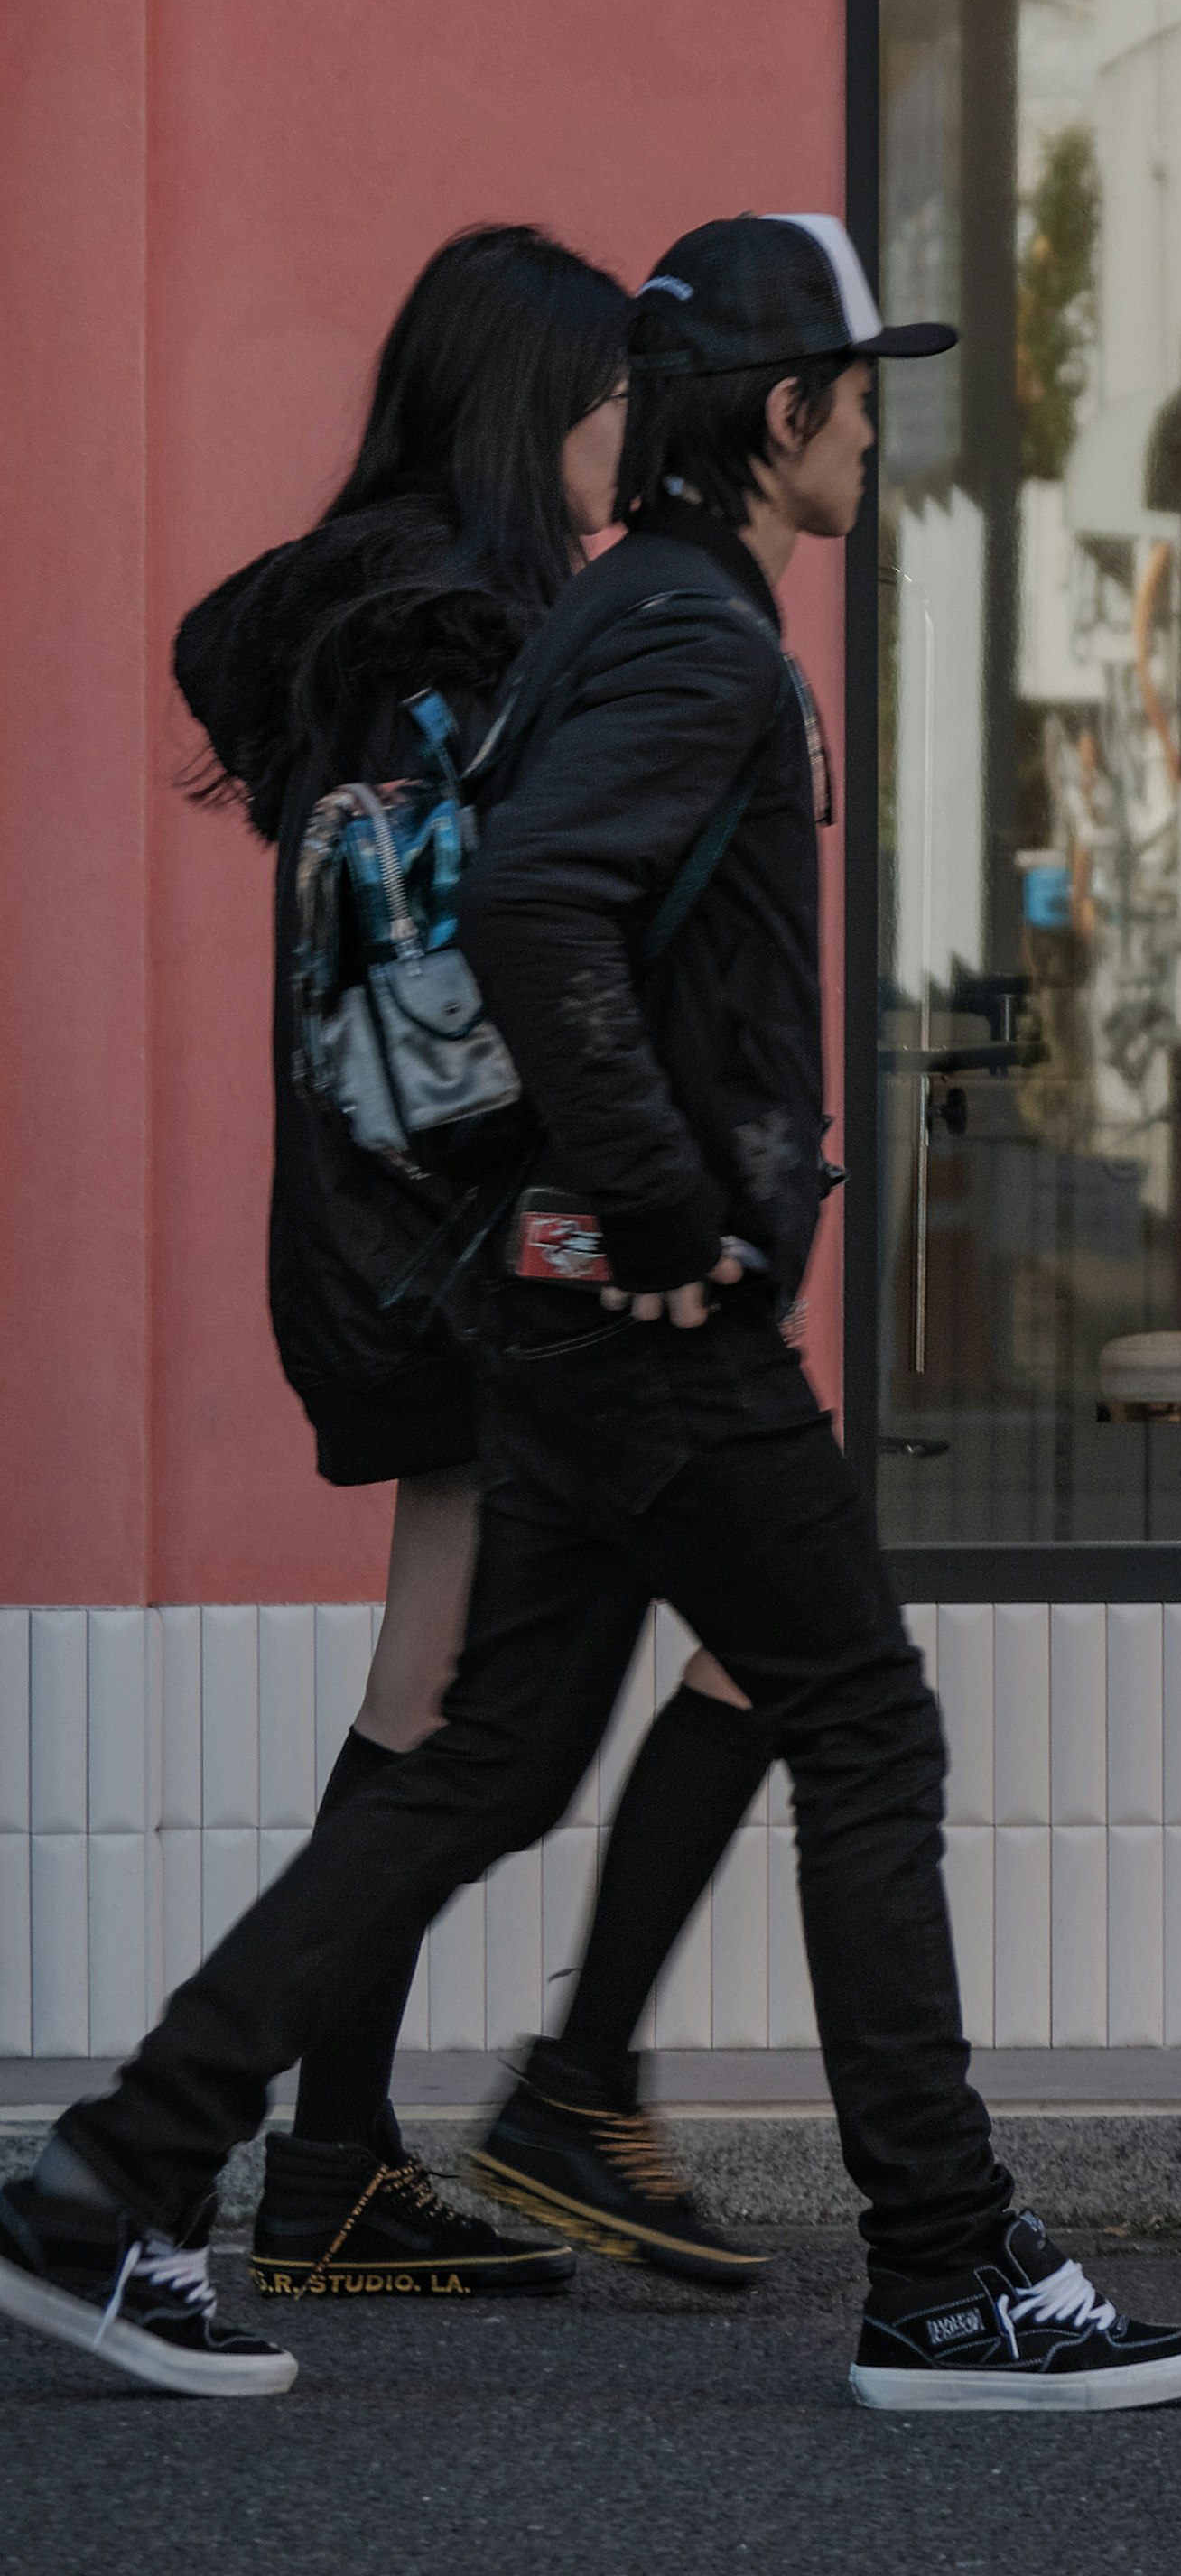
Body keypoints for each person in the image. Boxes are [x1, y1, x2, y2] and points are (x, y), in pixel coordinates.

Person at [0, 214, 1181, 2418]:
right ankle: (947, 2271)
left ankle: (113, 2175)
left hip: (559, 1307)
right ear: (787, 417)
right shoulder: (683, 638)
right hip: (645, 1305)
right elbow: (552, 900)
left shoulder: (632, 613)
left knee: (481, 1755)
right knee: (861, 1719)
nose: (883, 430)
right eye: (867, 391)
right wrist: (670, 1200)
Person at [171, 223, 776, 2303]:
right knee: (782, 1636)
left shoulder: (419, 629)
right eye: (620, 399)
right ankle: (542, 2095)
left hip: (410, 1245)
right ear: (543, 410)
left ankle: (318, 2163)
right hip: (486, 1247)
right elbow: (498, 984)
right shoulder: (450, 646)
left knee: (436, 1697)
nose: (647, 437)